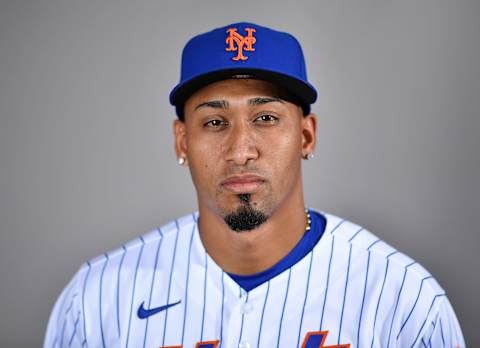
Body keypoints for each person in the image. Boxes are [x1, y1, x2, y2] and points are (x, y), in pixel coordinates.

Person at [44, 22, 465, 348]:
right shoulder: (97, 299)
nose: (241, 149)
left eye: (266, 118)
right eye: (214, 122)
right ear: (181, 141)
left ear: (306, 136)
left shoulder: (403, 299)